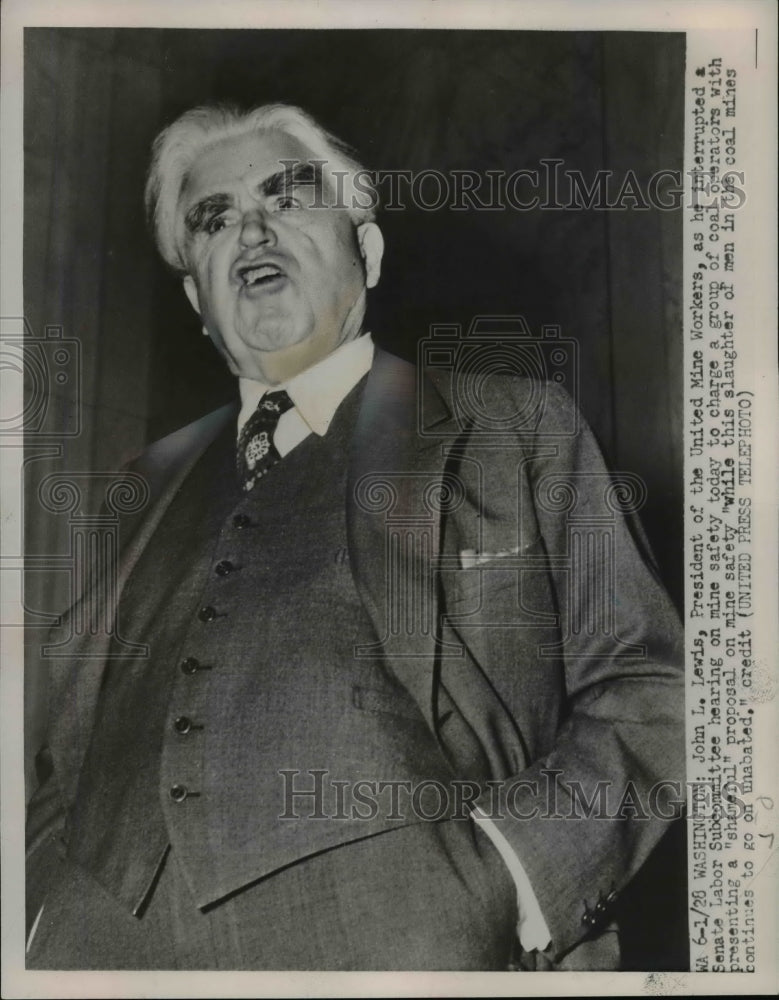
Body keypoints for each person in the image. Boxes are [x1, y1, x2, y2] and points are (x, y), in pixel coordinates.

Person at [25, 102, 684, 971]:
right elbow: (57, 754)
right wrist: (36, 915)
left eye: (286, 197)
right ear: (197, 295)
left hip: (399, 940)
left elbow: (648, 688)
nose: (250, 228)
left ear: (365, 251)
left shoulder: (512, 426)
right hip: (96, 953)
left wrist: (513, 880)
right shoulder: (139, 486)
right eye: (212, 219)